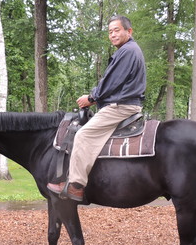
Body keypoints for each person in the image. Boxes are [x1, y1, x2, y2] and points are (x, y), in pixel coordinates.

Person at [47, 15, 146, 201]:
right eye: (110, 32)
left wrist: (91, 98)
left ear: (129, 31)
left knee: (84, 135)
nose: (113, 35)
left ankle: (75, 186)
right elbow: (110, 82)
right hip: (123, 103)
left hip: (121, 106)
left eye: (117, 30)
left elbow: (112, 83)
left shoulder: (128, 51)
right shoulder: (128, 51)